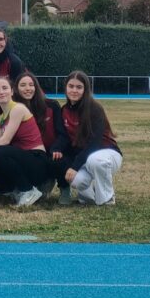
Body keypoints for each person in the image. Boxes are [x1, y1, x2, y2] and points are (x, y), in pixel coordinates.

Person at [53, 71, 122, 206]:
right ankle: (89, 197)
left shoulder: (95, 109)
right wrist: (56, 148)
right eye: (71, 86)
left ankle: (107, 200)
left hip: (107, 154)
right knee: (77, 180)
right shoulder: (64, 110)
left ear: (85, 89)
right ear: (65, 88)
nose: (74, 90)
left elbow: (94, 143)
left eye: (79, 87)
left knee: (95, 160)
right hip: (86, 158)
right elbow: (65, 138)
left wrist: (75, 166)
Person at [0, 76, 47, 207]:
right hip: (22, 161)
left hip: (37, 161)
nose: (1, 92)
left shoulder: (18, 108)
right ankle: (13, 188)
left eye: (5, 88)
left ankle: (28, 191)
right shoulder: (0, 118)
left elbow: (5, 140)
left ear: (12, 91)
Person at [15, 71, 71, 203]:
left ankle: (64, 187)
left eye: (31, 84)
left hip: (50, 153)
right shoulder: (14, 109)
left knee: (58, 157)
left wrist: (56, 148)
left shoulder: (51, 105)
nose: (28, 88)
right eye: (23, 85)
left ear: (36, 86)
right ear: (16, 89)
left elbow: (62, 134)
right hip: (31, 156)